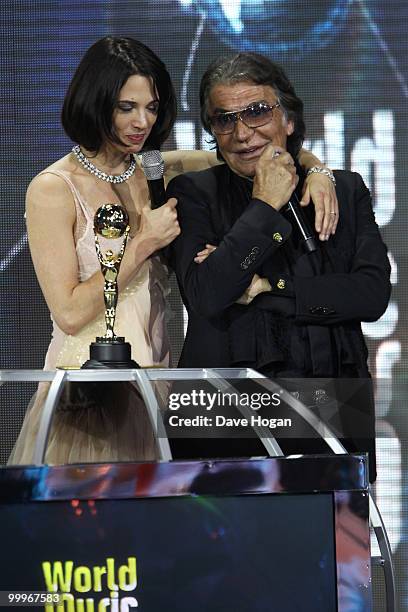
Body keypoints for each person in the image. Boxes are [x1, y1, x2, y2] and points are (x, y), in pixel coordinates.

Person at [9, 38, 339, 465]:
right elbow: (69, 311)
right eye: (126, 107)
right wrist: (143, 242)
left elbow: (248, 150)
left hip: (160, 394)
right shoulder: (53, 188)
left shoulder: (152, 170)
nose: (141, 122)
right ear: (95, 101)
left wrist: (317, 171)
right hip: (90, 402)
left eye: (152, 106)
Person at [166, 52, 391, 480]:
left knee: (332, 544)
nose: (242, 132)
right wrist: (264, 206)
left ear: (288, 118)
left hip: (333, 405)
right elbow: (208, 294)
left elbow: (371, 294)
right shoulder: (195, 194)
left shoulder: (343, 189)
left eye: (256, 112)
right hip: (222, 414)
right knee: (218, 545)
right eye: (224, 119)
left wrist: (270, 286)